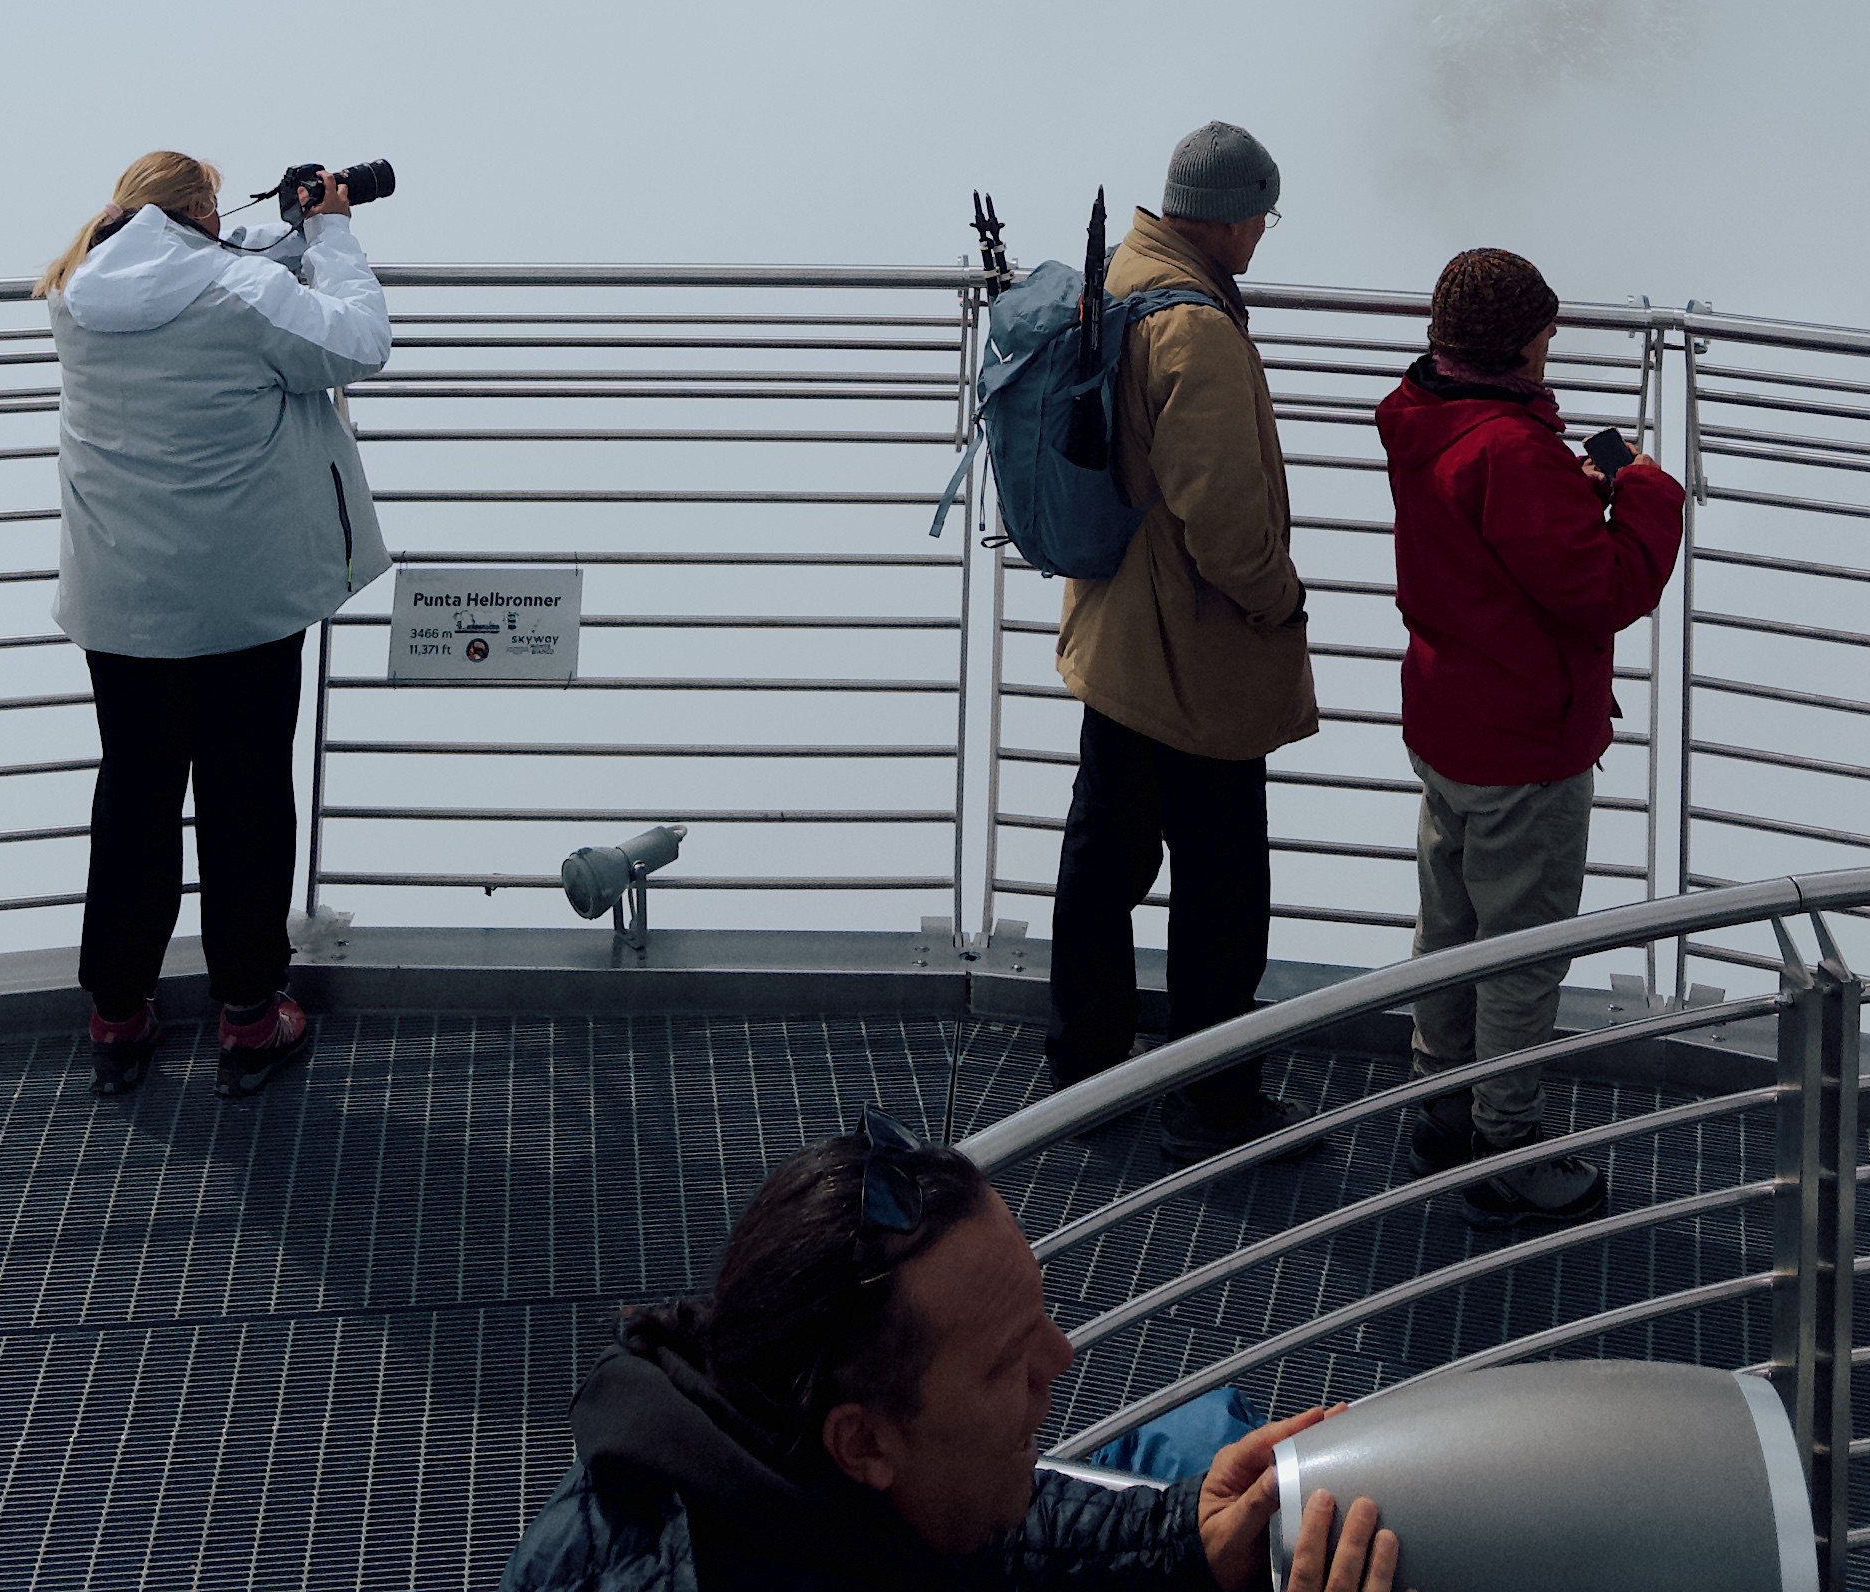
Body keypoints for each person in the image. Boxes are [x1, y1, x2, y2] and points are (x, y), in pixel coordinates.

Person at [500, 1111, 1399, 1592]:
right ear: (864, 1443)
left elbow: (980, 1542)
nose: (1063, 1356)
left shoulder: (777, 1458)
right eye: (1007, 1362)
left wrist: (1180, 1541)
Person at [36, 147, 394, 1099]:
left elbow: (196, 270)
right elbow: (357, 342)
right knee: (242, 795)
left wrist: (265, 234)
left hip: (122, 602)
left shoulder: (76, 292)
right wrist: (331, 228)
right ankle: (247, 1016)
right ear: (202, 211)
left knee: (136, 796)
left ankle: (118, 1013)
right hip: (242, 599)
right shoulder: (239, 291)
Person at [1376, 244, 1685, 1231]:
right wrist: (1642, 489)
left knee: (1452, 919)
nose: (1556, 344)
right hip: (1523, 742)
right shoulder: (1509, 453)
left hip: (1448, 718)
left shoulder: (1421, 416)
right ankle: (1504, 1150)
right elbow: (1603, 589)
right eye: (1547, 330)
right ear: (1518, 343)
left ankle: (1440, 1105)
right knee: (1521, 948)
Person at [1045, 121, 1316, 1164]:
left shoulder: (1123, 272)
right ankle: (1212, 1103)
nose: (1263, 236)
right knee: (1223, 885)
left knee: (1104, 854)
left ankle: (1084, 1066)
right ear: (1233, 213)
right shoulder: (1195, 330)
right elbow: (1222, 520)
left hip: (1115, 631)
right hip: (1191, 653)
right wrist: (1278, 599)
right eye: (1263, 216)